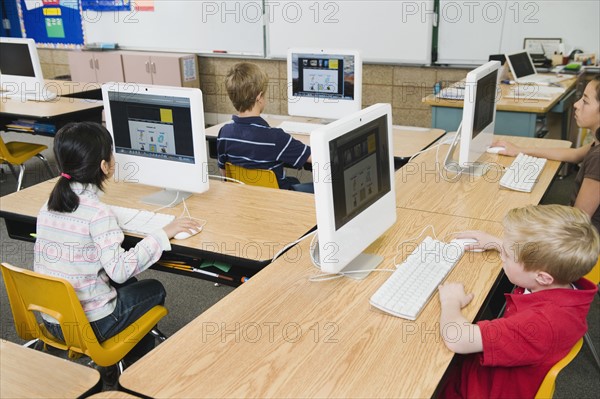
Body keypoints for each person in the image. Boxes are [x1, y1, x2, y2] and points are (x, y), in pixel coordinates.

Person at [34, 122, 202, 365]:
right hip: (90, 324)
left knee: (132, 285)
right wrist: (162, 234)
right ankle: (131, 367)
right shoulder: (97, 214)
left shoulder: (49, 205)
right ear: (105, 166)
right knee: (153, 288)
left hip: (52, 320)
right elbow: (119, 271)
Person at [437, 204, 599, 399]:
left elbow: (457, 339)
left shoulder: (539, 325)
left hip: (482, 389)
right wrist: (498, 244)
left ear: (543, 277)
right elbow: (531, 266)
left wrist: (450, 301)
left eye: (507, 255)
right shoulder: (562, 287)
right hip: (498, 369)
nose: (502, 257)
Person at [493, 75, 600, 232]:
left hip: (586, 242)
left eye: (585, 101)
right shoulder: (597, 142)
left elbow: (578, 222)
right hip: (580, 227)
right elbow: (575, 154)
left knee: (512, 222)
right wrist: (519, 150)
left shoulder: (598, 159)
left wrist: (537, 215)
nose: (576, 105)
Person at [217, 62, 313, 192]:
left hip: (242, 199)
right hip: (278, 201)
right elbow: (314, 157)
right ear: (259, 97)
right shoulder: (276, 138)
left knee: (293, 181)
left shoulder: (224, 133)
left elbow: (225, 177)